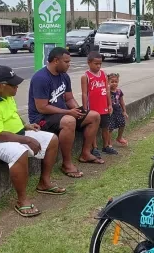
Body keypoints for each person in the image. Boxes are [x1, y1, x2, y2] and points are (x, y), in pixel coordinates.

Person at [0, 65, 65, 218]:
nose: (17, 88)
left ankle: (44, 182)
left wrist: (26, 126)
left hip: (16, 134)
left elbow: (12, 115)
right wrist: (27, 139)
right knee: (19, 152)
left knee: (52, 139)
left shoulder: (6, 95)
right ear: (1, 86)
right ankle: (21, 200)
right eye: (14, 85)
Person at [28, 47, 103, 179]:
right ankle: (66, 163)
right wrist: (69, 112)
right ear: (56, 61)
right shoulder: (41, 78)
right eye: (67, 62)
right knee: (69, 121)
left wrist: (79, 111)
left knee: (94, 116)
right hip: (42, 118)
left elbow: (69, 98)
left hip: (62, 113)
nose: (69, 64)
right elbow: (42, 107)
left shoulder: (64, 76)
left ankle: (85, 153)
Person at [81, 52, 116, 156]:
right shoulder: (85, 76)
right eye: (96, 63)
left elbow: (107, 91)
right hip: (92, 108)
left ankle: (106, 146)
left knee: (106, 127)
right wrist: (84, 108)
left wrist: (109, 105)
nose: (98, 66)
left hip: (103, 106)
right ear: (89, 63)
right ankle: (94, 147)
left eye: (100, 63)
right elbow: (84, 93)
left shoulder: (104, 75)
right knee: (94, 129)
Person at [108, 73, 129, 146]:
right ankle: (109, 142)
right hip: (110, 112)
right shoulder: (107, 92)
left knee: (122, 124)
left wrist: (124, 111)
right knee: (110, 127)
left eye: (116, 82)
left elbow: (122, 102)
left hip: (118, 111)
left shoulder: (119, 91)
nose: (114, 83)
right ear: (108, 82)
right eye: (112, 82)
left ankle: (119, 137)